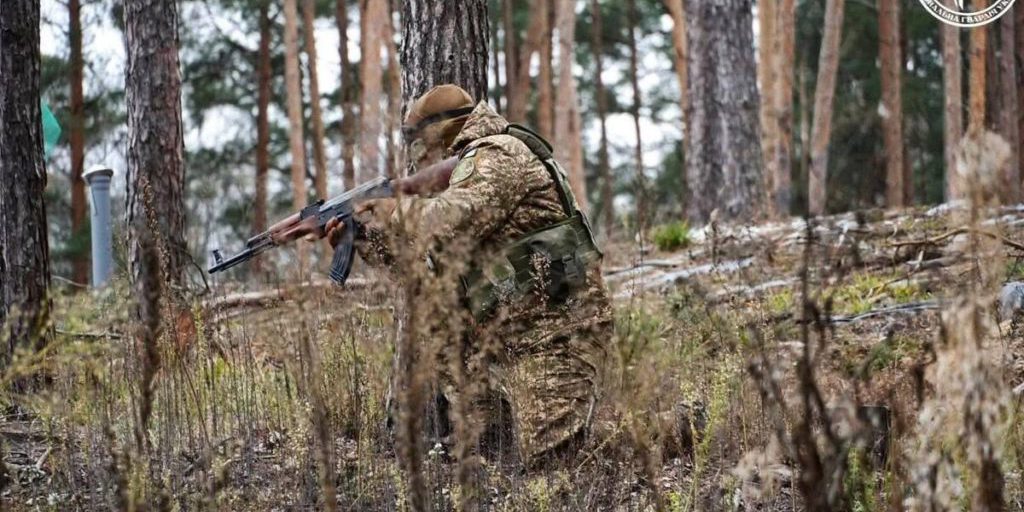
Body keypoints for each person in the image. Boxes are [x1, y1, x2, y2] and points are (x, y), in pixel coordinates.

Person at [325, 84, 612, 468]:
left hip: (558, 331)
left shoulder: (500, 154)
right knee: (441, 313)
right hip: (509, 326)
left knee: (552, 467)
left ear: (441, 129)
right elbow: (425, 273)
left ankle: (672, 430)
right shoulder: (468, 171)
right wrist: (361, 239)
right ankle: (489, 446)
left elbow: (442, 222)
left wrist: (389, 209)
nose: (417, 149)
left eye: (418, 137)